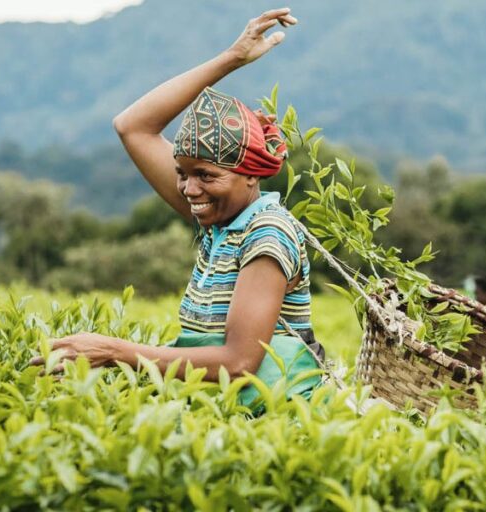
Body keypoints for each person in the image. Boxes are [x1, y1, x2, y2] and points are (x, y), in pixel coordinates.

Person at [30, 8, 324, 406]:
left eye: (205, 175)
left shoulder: (266, 233)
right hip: (219, 406)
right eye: (182, 174)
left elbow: (239, 363)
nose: (189, 189)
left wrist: (116, 352)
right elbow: (132, 125)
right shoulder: (220, 221)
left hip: (276, 412)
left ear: (250, 175)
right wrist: (232, 57)